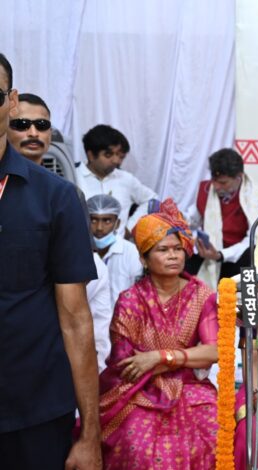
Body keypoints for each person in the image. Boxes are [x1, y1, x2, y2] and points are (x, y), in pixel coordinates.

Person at [0, 52, 102, 469]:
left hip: (36, 412)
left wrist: (91, 436)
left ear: (10, 100)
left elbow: (76, 319)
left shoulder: (55, 197)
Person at [97, 198, 219, 468]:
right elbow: (126, 365)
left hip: (191, 388)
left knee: (216, 434)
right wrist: (182, 358)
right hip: (138, 392)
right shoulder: (130, 299)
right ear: (143, 257)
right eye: (163, 250)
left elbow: (214, 351)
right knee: (136, 446)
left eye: (177, 248)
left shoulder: (202, 296)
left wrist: (160, 358)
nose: (173, 256)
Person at [185, 147, 258, 288]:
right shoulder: (206, 189)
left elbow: (254, 239)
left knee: (253, 254)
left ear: (238, 177)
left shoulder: (256, 194)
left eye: (223, 183)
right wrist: (178, 222)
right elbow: (193, 219)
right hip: (208, 253)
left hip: (236, 257)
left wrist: (221, 254)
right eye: (214, 180)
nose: (216, 186)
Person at [76, 124, 158, 237]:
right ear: (91, 155)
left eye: (120, 156)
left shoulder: (126, 179)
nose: (116, 161)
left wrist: (131, 227)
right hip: (81, 248)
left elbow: (153, 200)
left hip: (119, 250)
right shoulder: (73, 177)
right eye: (108, 155)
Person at [87, 194, 143, 306]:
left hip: (122, 320)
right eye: (93, 220)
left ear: (117, 224)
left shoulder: (131, 252)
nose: (99, 227)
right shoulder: (78, 251)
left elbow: (138, 294)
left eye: (107, 221)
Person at [7, 92, 52, 165]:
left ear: (50, 132)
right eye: (22, 124)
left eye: (42, 124)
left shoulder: (54, 177)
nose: (33, 133)